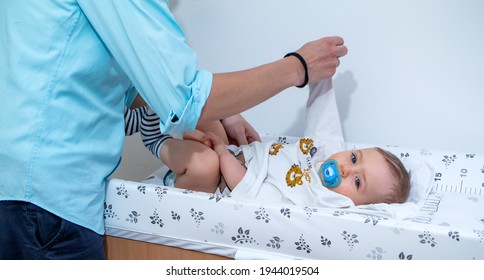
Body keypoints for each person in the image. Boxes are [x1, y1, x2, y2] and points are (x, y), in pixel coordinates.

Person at [0, 1, 347, 259]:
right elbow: (184, 98)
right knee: (202, 160)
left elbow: (101, 81)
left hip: (25, 190)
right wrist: (297, 67)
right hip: (43, 201)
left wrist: (217, 113)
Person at [154, 79, 411, 207]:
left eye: (357, 182)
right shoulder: (324, 153)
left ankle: (156, 142)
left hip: (218, 183)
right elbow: (325, 120)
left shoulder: (309, 201)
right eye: (354, 158)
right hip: (233, 154)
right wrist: (322, 79)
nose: (346, 168)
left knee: (204, 164)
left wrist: (221, 152)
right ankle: (162, 118)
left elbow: (247, 187)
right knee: (206, 114)